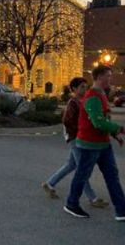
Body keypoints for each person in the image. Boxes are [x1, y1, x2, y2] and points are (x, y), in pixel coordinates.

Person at [64, 65, 125, 220]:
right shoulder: (92, 97)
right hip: (89, 144)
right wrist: (120, 129)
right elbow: (98, 122)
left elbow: (104, 119)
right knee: (82, 175)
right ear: (99, 77)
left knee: (112, 176)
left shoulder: (101, 94)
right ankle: (71, 204)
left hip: (103, 144)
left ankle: (121, 210)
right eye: (108, 76)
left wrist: (113, 133)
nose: (110, 79)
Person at [42, 77, 106, 207]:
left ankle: (50, 184)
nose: (84, 89)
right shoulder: (73, 103)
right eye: (81, 87)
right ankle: (92, 198)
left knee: (71, 165)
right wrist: (77, 134)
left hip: (81, 137)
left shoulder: (83, 101)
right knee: (82, 168)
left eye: (85, 86)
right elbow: (67, 121)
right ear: (74, 89)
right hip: (76, 139)